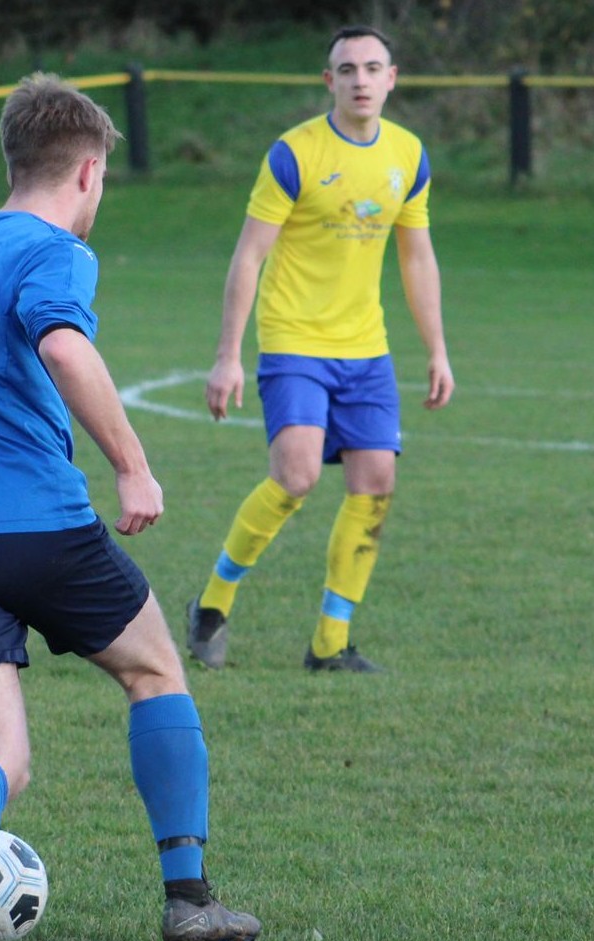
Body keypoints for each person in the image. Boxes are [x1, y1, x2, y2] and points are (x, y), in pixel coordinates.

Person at [0, 73, 261, 941]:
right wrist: (130, 461)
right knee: (155, 669)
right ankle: (189, 899)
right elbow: (63, 345)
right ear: (88, 173)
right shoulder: (51, 249)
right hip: (36, 522)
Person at [186, 25, 455, 674]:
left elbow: (417, 257)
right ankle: (213, 600)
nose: (360, 79)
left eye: (372, 67)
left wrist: (437, 349)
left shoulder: (409, 155)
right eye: (347, 69)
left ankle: (330, 642)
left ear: (392, 78)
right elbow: (249, 253)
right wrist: (227, 354)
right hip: (294, 340)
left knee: (376, 483)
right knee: (297, 475)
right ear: (328, 81)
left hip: (367, 350)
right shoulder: (294, 153)